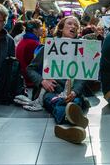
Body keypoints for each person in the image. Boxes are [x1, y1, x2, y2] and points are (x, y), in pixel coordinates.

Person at [27, 16, 90, 144]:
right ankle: (71, 122)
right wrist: (42, 81)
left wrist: (75, 91)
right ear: (61, 28)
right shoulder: (49, 47)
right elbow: (30, 69)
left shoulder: (81, 50)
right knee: (55, 100)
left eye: (76, 25)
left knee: (74, 101)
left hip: (71, 91)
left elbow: (82, 76)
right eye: (70, 24)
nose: (73, 27)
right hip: (51, 90)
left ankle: (66, 127)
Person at [16, 19, 43, 87]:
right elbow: (33, 65)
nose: (43, 29)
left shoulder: (25, 40)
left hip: (24, 77)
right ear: (35, 30)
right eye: (41, 27)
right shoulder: (32, 43)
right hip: (29, 81)